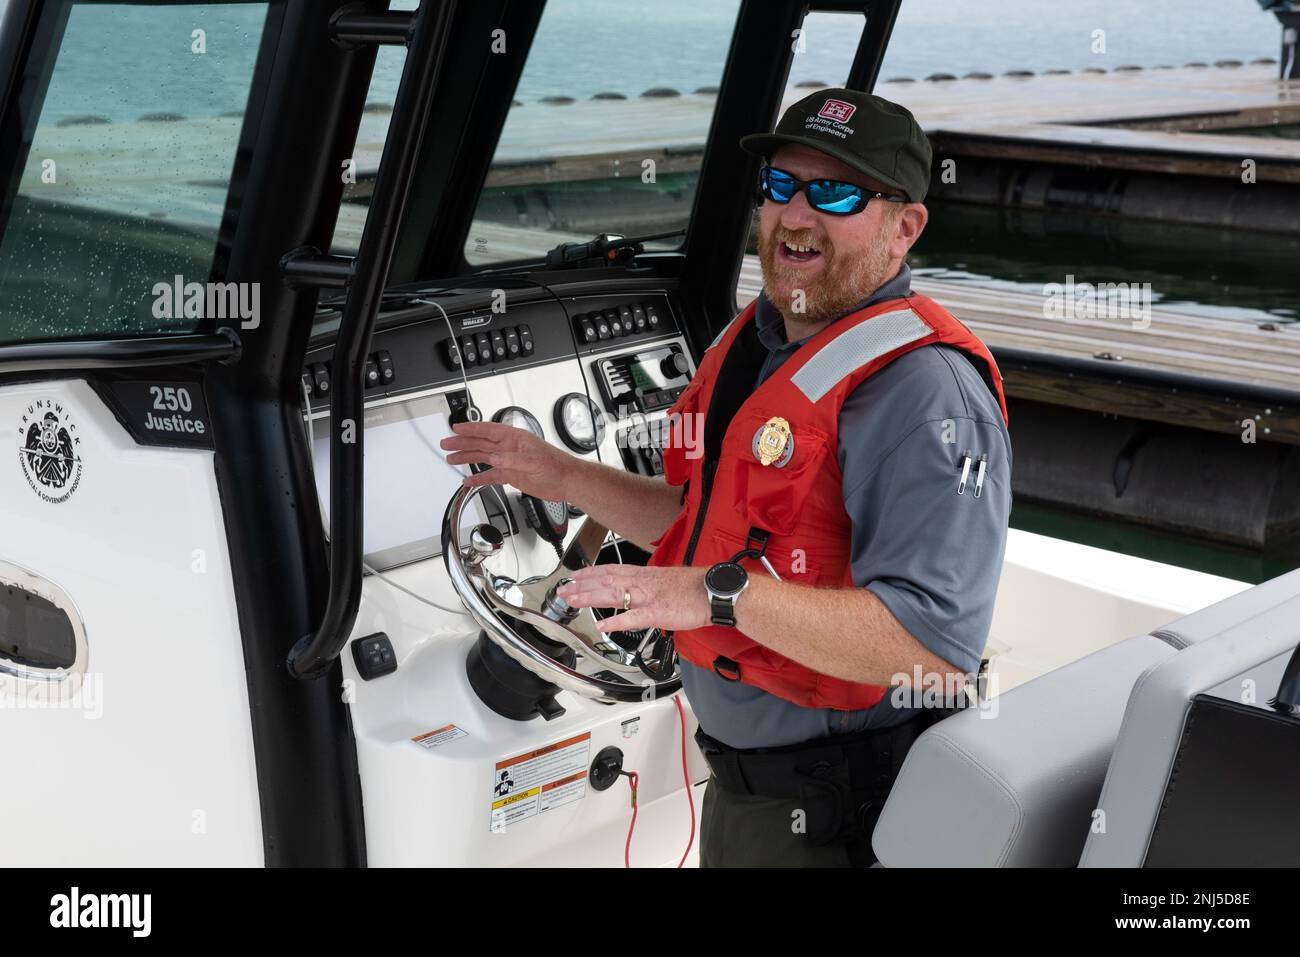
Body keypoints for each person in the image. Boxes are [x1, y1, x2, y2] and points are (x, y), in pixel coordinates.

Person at [440, 89, 1011, 867]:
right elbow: (698, 515)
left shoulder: (926, 394)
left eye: (835, 193)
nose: (796, 216)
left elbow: (935, 648)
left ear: (903, 228)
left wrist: (707, 594)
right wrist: (564, 475)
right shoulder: (757, 343)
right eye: (780, 186)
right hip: (749, 796)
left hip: (848, 812)